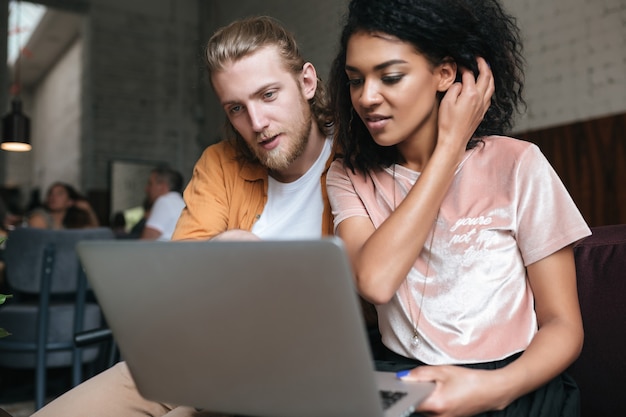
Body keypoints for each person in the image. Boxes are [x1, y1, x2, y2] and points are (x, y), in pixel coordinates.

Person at [31, 15, 490, 417]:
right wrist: (225, 250)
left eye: (268, 94)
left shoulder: (360, 162)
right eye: (237, 108)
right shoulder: (220, 163)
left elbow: (381, 296)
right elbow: (180, 278)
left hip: (295, 367)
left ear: (307, 83)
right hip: (197, 349)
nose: (257, 121)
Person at [325, 0, 591, 416]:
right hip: (407, 377)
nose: (367, 97)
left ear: (444, 74)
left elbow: (564, 325)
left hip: (515, 383)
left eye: (390, 76)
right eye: (355, 80)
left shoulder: (518, 163)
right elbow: (376, 281)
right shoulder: (348, 175)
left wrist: (496, 389)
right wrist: (447, 150)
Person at [26, 182, 100, 229]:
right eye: (50, 193)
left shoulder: (67, 225)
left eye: (59, 194)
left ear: (69, 202)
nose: (53, 197)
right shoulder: (40, 217)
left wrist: (89, 210)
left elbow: (94, 233)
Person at [140, 166, 186, 241]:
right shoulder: (181, 203)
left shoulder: (164, 201)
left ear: (163, 186)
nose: (146, 189)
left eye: (150, 184)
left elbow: (145, 242)